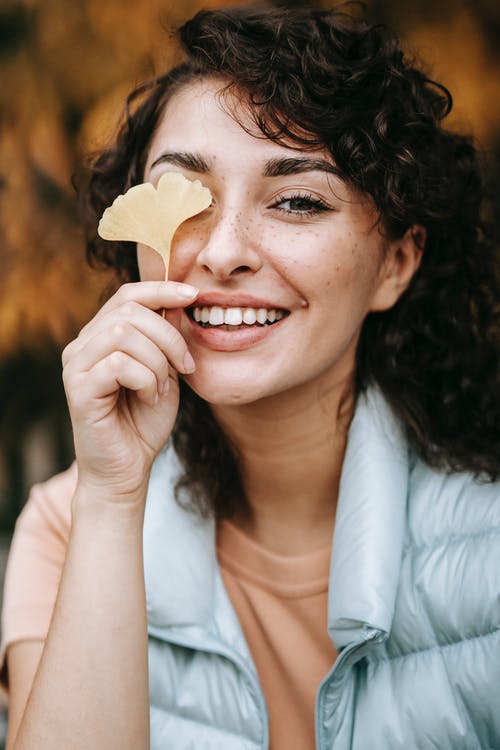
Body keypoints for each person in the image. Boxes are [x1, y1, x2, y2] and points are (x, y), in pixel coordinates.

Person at [2, 5, 499, 749]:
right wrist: (112, 498)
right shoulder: (68, 524)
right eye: (187, 199)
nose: (224, 252)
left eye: (296, 200)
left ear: (395, 264)